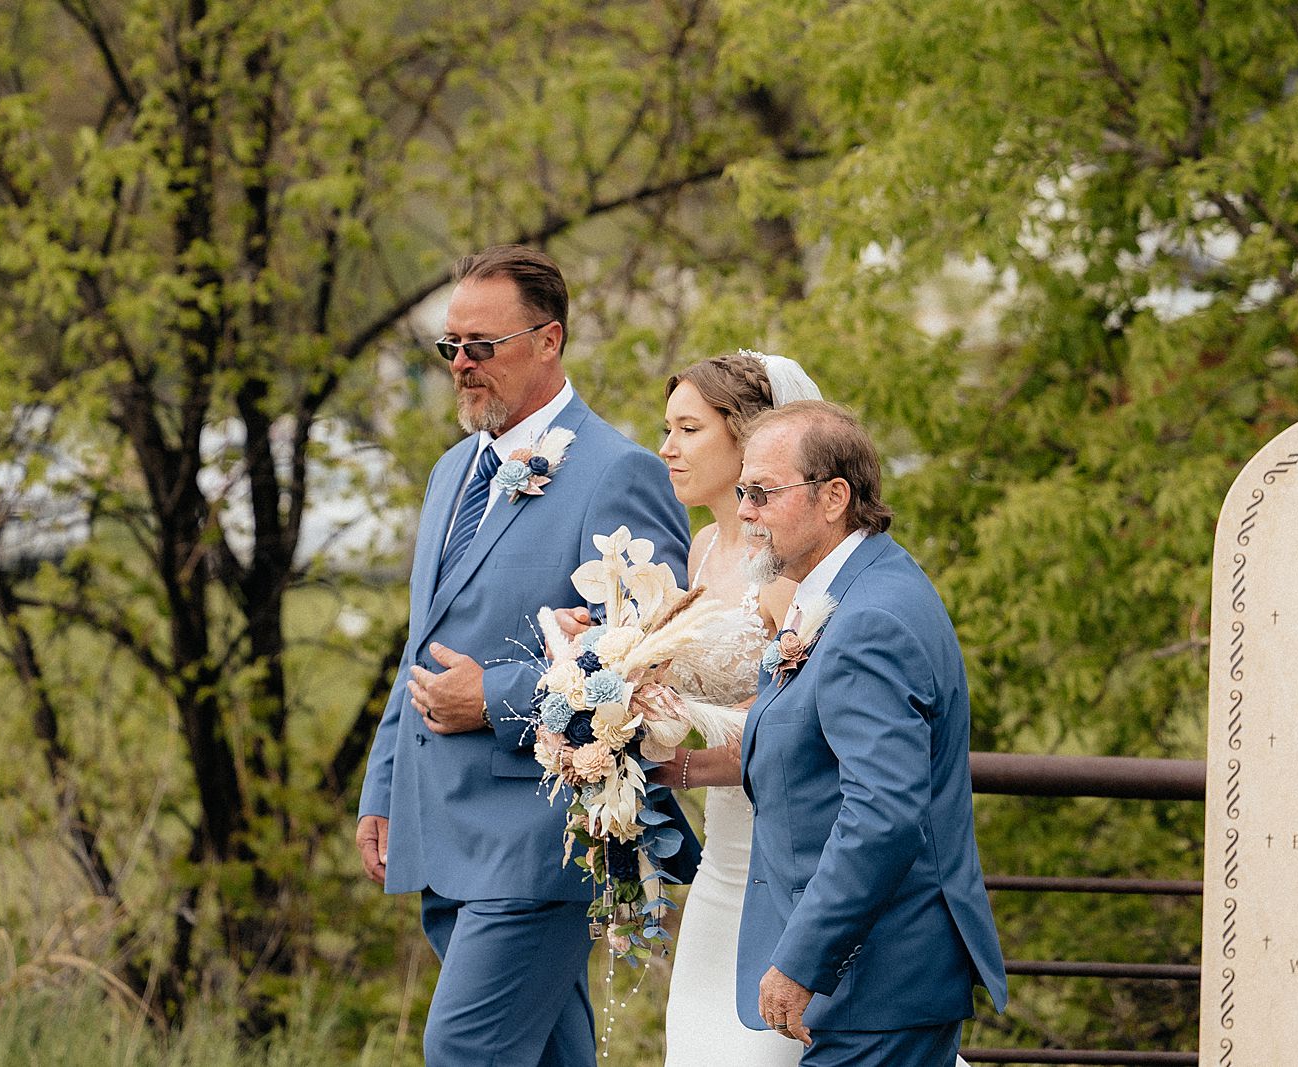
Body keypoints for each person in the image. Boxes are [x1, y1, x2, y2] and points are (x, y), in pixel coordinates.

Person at [354, 245, 693, 1067]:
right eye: (451, 348)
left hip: (544, 835)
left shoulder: (619, 473)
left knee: (466, 1047)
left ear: (549, 341)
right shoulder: (449, 473)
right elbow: (422, 642)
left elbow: (653, 667)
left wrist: (496, 696)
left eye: (483, 346)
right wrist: (384, 783)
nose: (462, 366)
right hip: (443, 823)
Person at [734, 400, 1007, 1066]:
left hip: (876, 981)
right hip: (875, 983)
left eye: (763, 492)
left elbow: (883, 813)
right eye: (743, 491)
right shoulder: (856, 587)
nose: (744, 509)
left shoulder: (870, 617)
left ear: (834, 497)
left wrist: (802, 958)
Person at [649, 352, 812, 1067]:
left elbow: (791, 721)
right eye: (667, 428)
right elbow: (695, 692)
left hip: (782, 854)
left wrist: (678, 766)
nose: (668, 448)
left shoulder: (780, 563)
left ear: (744, 437)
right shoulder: (703, 546)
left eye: (688, 428)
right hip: (721, 858)